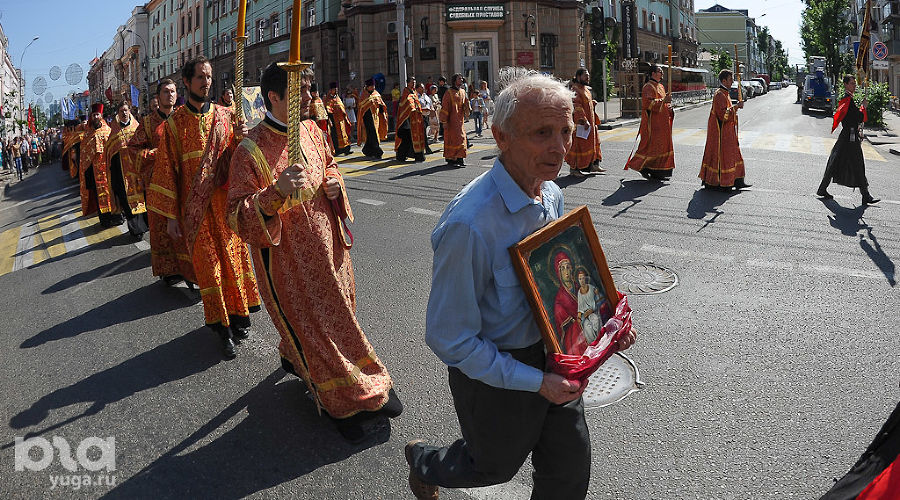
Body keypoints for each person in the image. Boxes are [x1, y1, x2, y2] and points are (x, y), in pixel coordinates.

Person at [404, 68, 636, 500]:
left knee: (569, 470)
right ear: (501, 136)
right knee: (492, 466)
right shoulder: (469, 226)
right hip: (496, 374)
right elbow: (449, 338)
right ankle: (424, 461)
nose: (559, 148)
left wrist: (603, 327)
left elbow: (563, 286)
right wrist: (533, 382)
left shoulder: (550, 193)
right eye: (542, 133)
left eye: (565, 132)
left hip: (555, 357)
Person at [227, 62, 403, 443]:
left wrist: (336, 184)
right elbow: (237, 215)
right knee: (317, 329)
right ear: (274, 97)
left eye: (310, 89)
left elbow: (332, 165)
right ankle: (344, 398)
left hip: (331, 247)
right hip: (291, 262)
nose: (310, 98)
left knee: (341, 316)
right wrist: (275, 192)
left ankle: (341, 374)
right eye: (301, 92)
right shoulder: (249, 149)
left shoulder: (311, 129)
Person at [147, 56, 261, 360]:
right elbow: (166, 172)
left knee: (232, 263)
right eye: (200, 77)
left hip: (225, 207)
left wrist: (244, 141)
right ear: (187, 81)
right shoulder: (173, 125)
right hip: (194, 212)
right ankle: (221, 330)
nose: (206, 82)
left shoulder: (226, 116)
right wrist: (171, 216)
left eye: (209, 77)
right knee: (210, 271)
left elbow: (240, 159)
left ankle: (239, 318)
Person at [128, 78, 195, 286]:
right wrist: (156, 155)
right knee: (163, 229)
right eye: (166, 91)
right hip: (159, 186)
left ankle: (191, 268)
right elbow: (133, 150)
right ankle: (169, 270)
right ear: (158, 97)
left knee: (186, 225)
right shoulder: (147, 123)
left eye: (173, 91)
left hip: (184, 182)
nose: (170, 95)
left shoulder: (185, 117)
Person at [817, 75, 879, 204]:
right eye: (851, 83)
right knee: (857, 164)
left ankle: (823, 189)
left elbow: (853, 118)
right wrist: (863, 107)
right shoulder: (848, 100)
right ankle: (865, 195)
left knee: (835, 162)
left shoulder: (847, 99)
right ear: (845, 84)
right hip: (850, 137)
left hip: (847, 135)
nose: (854, 86)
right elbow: (858, 117)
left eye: (855, 84)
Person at [699, 69, 749, 191]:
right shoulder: (719, 94)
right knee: (725, 157)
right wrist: (736, 107)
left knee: (734, 154)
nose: (732, 81)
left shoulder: (725, 93)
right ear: (724, 80)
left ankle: (738, 181)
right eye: (730, 79)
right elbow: (723, 115)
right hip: (721, 134)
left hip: (728, 132)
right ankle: (722, 182)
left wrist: (735, 107)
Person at [106, 101, 148, 238]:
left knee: (141, 198)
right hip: (121, 174)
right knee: (126, 201)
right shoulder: (114, 131)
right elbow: (109, 152)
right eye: (121, 111)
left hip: (137, 171)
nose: (124, 113)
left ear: (129, 111)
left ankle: (143, 225)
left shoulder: (137, 127)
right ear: (118, 114)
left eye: (126, 110)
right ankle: (135, 230)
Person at [625, 65, 675, 180]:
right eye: (659, 71)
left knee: (662, 147)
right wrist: (664, 101)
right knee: (651, 147)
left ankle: (659, 172)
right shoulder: (648, 87)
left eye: (662, 71)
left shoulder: (661, 86)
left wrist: (669, 107)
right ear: (652, 73)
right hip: (653, 124)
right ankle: (643, 167)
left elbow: (664, 104)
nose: (662, 73)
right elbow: (649, 104)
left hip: (663, 123)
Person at [80, 103, 122, 227]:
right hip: (93, 170)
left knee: (112, 192)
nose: (96, 117)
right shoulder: (87, 134)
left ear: (101, 115)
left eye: (97, 114)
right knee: (99, 196)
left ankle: (116, 215)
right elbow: (84, 152)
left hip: (108, 168)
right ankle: (104, 220)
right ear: (91, 117)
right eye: (94, 115)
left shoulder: (107, 130)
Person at [566, 68, 604, 177]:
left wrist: (592, 103)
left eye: (588, 75)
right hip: (581, 124)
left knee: (592, 144)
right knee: (578, 146)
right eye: (585, 76)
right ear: (578, 77)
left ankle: (592, 165)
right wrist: (584, 120)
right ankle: (574, 169)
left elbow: (585, 103)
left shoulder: (585, 89)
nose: (588, 77)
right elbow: (577, 106)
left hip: (590, 124)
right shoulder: (575, 89)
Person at [394, 76, 426, 162]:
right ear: (408, 83)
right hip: (407, 121)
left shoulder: (414, 93)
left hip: (416, 120)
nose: (414, 83)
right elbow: (406, 106)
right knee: (407, 139)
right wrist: (412, 108)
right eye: (412, 82)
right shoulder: (405, 94)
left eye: (414, 82)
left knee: (415, 138)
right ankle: (401, 155)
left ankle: (417, 155)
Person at [440, 74, 469, 166]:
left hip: (460, 120)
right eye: (459, 78)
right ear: (454, 80)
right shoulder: (449, 92)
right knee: (453, 139)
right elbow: (445, 107)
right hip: (451, 120)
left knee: (461, 138)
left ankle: (460, 158)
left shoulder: (463, 91)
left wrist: (468, 109)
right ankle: (452, 159)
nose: (461, 80)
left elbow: (466, 103)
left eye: (461, 78)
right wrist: (444, 121)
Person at [357, 78, 388, 158]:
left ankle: (367, 150)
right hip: (367, 118)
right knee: (373, 134)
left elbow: (381, 104)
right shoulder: (363, 95)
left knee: (372, 134)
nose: (373, 87)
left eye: (373, 86)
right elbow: (361, 106)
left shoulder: (376, 94)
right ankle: (378, 152)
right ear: (367, 87)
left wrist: (382, 112)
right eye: (371, 86)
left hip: (376, 117)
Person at [324, 82, 353, 155]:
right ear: (331, 90)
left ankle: (346, 149)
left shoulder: (338, 98)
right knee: (335, 136)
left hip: (341, 119)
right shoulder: (328, 99)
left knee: (344, 134)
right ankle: (337, 150)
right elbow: (328, 110)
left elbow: (342, 107)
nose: (336, 90)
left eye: (336, 89)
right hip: (334, 120)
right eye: (334, 89)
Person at [576, 269, 602, 344]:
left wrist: (597, 293)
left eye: (583, 278)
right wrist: (579, 317)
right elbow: (580, 308)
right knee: (586, 326)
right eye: (580, 279)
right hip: (585, 315)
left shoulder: (591, 288)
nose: (582, 280)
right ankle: (594, 344)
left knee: (595, 320)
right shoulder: (579, 293)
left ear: (585, 278)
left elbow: (598, 298)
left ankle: (600, 340)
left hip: (593, 311)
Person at [417, 83, 435, 154]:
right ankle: (426, 148)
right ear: (417, 88)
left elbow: (430, 104)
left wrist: (432, 109)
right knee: (423, 133)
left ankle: (425, 147)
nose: (423, 89)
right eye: (421, 87)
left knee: (425, 132)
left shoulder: (426, 96)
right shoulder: (416, 97)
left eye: (423, 87)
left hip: (426, 116)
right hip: (419, 117)